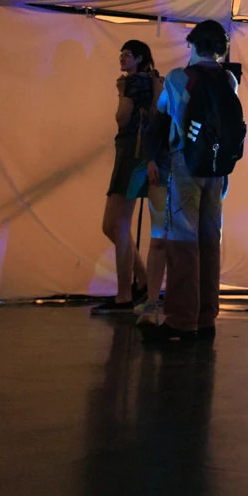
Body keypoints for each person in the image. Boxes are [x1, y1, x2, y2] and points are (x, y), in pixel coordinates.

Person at [143, 21, 239, 341]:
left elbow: (164, 113)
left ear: (193, 45)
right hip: (218, 171)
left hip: (185, 166)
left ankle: (181, 322)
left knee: (183, 242)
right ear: (221, 48)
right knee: (211, 241)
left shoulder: (176, 78)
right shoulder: (229, 79)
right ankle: (206, 317)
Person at [94, 40, 160, 312]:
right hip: (137, 156)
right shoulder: (149, 81)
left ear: (140, 58)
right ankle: (142, 280)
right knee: (113, 225)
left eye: (128, 55)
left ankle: (124, 295)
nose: (122, 59)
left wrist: (122, 92)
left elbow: (122, 119)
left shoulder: (134, 83)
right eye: (121, 55)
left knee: (118, 225)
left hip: (132, 156)